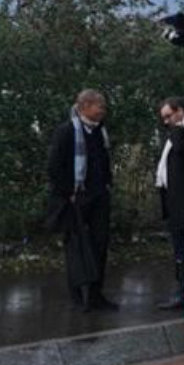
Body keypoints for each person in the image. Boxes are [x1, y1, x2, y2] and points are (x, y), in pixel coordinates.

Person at [47, 89, 117, 312]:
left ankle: (96, 295)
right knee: (76, 248)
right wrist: (67, 192)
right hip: (75, 198)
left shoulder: (100, 131)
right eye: (100, 106)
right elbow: (55, 166)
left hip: (99, 196)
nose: (103, 110)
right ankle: (77, 298)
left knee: (100, 244)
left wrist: (107, 184)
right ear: (85, 106)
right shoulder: (66, 131)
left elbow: (104, 160)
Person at [154, 97, 184, 311]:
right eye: (164, 118)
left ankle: (183, 293)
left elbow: (182, 150)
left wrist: (178, 128)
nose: (167, 121)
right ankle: (181, 290)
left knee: (183, 250)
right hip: (173, 200)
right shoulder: (177, 131)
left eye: (169, 116)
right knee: (178, 250)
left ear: (180, 111)